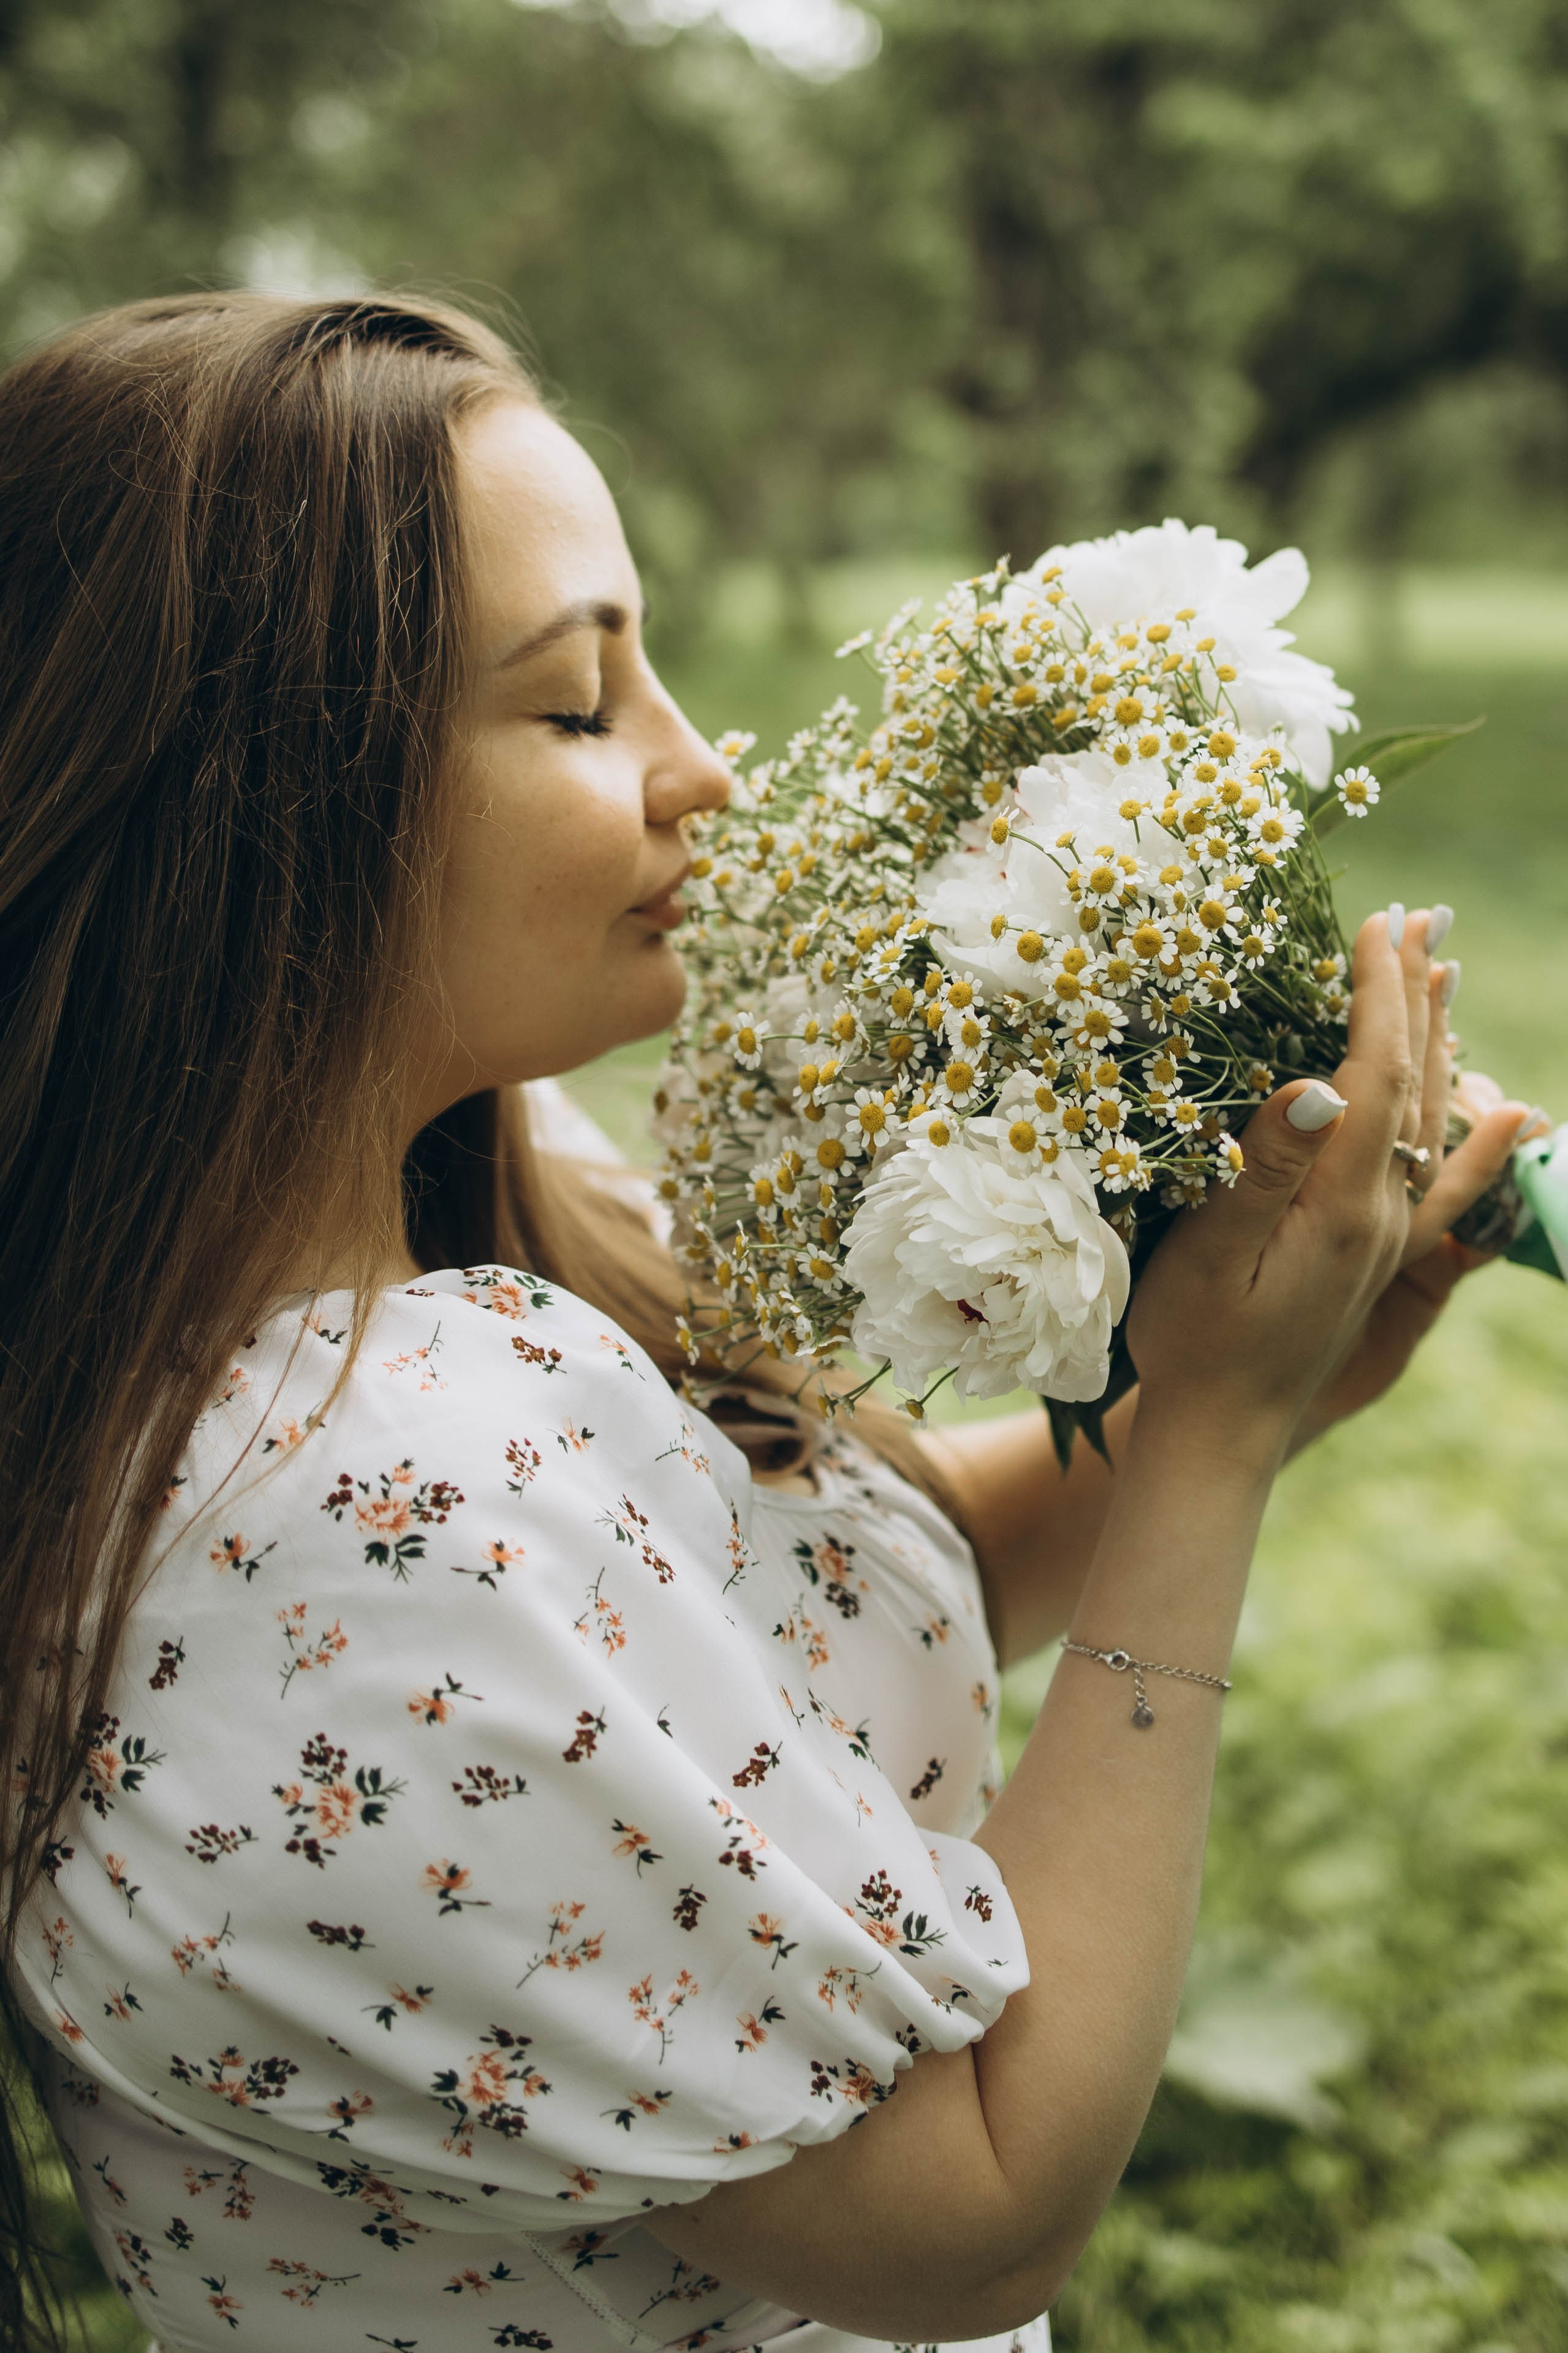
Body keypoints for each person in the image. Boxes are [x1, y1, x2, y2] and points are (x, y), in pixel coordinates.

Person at [0, 292, 1534, 2353]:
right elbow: (973, 2214)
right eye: (576, 706)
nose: (704, 771)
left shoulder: (440, 1253)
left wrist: (1259, 1373)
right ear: (267, 811)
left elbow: (773, 1650)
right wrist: (1206, 1453)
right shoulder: (361, 1530)